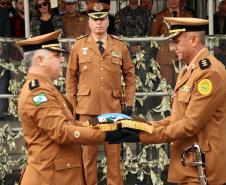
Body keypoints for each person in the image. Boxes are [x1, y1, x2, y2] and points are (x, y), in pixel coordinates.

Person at [109, 17, 226, 185]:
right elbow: (177, 118)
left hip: (201, 168)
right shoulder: (190, 70)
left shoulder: (208, 73)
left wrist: (140, 136)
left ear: (194, 40)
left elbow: (189, 125)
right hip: (190, 163)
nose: (173, 47)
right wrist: (141, 127)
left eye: (177, 42)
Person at [16, 30, 122, 185]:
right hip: (49, 177)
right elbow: (62, 131)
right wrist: (107, 135)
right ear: (40, 60)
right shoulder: (37, 92)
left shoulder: (46, 87)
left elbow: (69, 124)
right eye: (56, 56)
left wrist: (102, 126)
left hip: (58, 175)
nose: (62, 60)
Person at [66, 3, 136, 185]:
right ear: (89, 22)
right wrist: (71, 109)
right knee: (88, 157)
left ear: (107, 21)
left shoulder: (120, 46)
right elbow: (71, 78)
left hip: (112, 109)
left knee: (114, 158)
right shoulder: (79, 45)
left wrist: (129, 103)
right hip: (87, 109)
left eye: (102, 19)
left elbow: (130, 75)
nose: (98, 23)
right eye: (95, 19)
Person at [151, 0, 193, 87]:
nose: (173, 1)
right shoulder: (159, 16)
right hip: (165, 58)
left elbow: (192, 36)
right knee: (166, 87)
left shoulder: (188, 16)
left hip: (183, 57)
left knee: (183, 85)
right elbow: (153, 37)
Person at [0, 6, 11, 120]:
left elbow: (7, 31)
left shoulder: (3, 12)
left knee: (3, 81)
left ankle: (3, 112)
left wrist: (2, 47)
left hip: (2, 51)